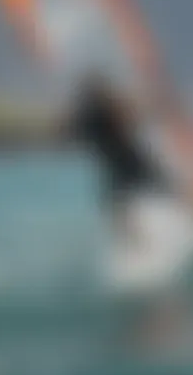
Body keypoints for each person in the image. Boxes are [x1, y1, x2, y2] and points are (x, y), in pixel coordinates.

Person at [66, 70, 172, 247]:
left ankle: (137, 245)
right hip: (130, 163)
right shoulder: (106, 110)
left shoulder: (88, 116)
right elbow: (134, 116)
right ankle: (140, 245)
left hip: (122, 166)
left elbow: (72, 133)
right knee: (161, 191)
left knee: (118, 207)